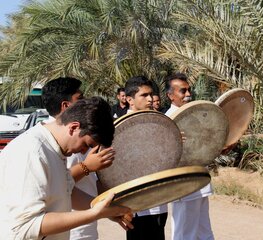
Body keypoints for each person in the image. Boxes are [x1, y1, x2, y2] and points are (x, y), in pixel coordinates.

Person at [0, 97, 133, 240]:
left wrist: (106, 210)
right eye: (87, 145)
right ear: (74, 127)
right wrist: (94, 214)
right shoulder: (32, 152)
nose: (84, 152)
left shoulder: (55, 148)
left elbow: (67, 190)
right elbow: (26, 226)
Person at [42, 77, 116, 239]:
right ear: (66, 106)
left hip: (85, 225)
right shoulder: (42, 147)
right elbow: (29, 224)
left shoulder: (80, 134)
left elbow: (68, 189)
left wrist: (105, 210)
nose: (85, 102)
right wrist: (86, 167)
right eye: (80, 99)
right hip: (71, 228)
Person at [165, 73, 215, 240]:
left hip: (200, 180)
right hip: (183, 185)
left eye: (189, 90)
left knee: (204, 231)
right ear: (170, 95)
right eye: (183, 91)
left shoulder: (196, 115)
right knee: (184, 234)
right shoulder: (166, 120)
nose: (188, 95)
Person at [124, 76, 168, 240]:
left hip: (158, 203)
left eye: (151, 94)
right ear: (130, 100)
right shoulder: (122, 128)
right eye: (144, 95)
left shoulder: (157, 122)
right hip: (136, 206)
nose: (150, 99)